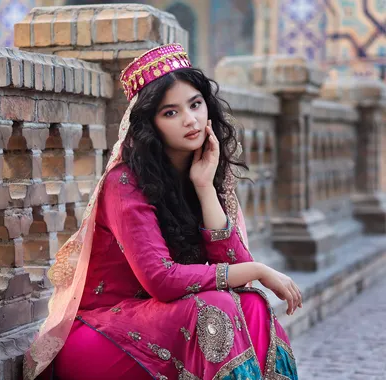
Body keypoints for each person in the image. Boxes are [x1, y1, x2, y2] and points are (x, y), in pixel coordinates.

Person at [23, 43, 300, 380]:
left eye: (195, 104)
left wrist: (204, 188)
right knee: (217, 307)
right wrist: (258, 269)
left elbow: (233, 264)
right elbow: (161, 280)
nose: (190, 120)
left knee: (253, 304)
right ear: (150, 124)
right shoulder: (124, 182)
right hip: (105, 336)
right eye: (171, 112)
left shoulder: (203, 170)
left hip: (169, 324)